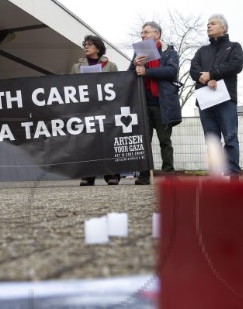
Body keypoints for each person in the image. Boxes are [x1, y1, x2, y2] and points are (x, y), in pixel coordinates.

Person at [189, 14, 243, 175]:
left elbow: (236, 65)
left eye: (212, 23)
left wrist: (212, 74)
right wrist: (207, 80)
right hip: (205, 101)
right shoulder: (202, 50)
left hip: (226, 100)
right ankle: (215, 175)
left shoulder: (234, 47)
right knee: (212, 141)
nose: (208, 26)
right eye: (207, 24)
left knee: (230, 138)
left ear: (224, 28)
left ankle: (232, 173)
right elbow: (193, 69)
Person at [129, 21, 181, 185]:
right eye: (142, 32)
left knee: (165, 141)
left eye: (145, 32)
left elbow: (172, 71)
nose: (142, 35)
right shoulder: (137, 53)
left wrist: (147, 71)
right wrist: (134, 65)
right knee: (144, 141)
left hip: (162, 104)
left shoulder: (169, 52)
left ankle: (169, 173)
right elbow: (129, 75)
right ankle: (144, 174)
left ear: (156, 34)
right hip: (143, 103)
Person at [71, 34, 120, 186]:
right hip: (85, 110)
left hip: (106, 109)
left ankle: (111, 174)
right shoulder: (76, 67)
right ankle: (88, 175)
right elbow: (70, 87)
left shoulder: (111, 66)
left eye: (90, 44)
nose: (86, 46)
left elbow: (117, 86)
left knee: (107, 140)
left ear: (98, 48)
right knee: (87, 142)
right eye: (85, 44)